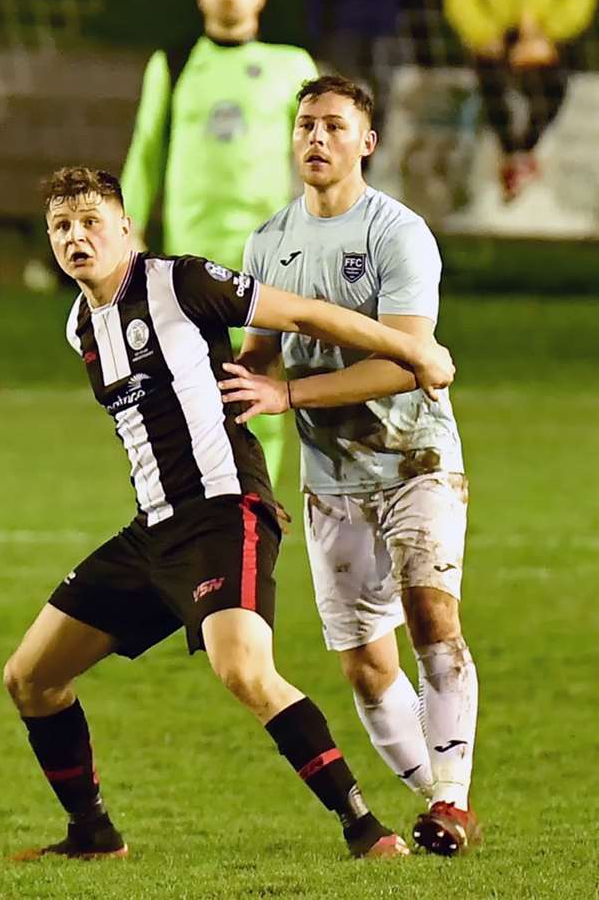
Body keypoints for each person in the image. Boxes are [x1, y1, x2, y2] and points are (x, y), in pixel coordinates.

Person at [3, 165, 458, 861]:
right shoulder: (79, 325)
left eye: (91, 221)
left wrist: (414, 350)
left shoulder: (179, 282)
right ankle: (93, 834)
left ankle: (365, 829)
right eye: (61, 227)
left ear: (125, 226)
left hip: (224, 512)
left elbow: (303, 314)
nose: (76, 237)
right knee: (31, 677)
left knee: (243, 669)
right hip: (152, 530)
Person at [222, 74, 481, 857]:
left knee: (433, 616)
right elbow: (257, 359)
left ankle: (451, 798)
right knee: (367, 667)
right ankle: (434, 803)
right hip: (331, 478)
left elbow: (408, 361)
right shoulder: (268, 242)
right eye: (306, 126)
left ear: (366, 142)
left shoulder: (398, 233)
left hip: (416, 457)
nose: (316, 139)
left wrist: (288, 393)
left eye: (335, 126)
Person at [120, 0, 317, 485]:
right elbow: (146, 148)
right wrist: (128, 226)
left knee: (262, 372)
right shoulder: (176, 61)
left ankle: (261, 495)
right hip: (192, 253)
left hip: (272, 249)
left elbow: (314, 154)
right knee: (194, 383)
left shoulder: (291, 64)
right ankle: (204, 497)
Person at [443, 0, 597, 200]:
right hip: (498, 35)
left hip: (546, 36)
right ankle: (509, 152)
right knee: (491, 84)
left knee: (552, 89)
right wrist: (483, 33)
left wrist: (549, 34)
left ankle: (525, 150)